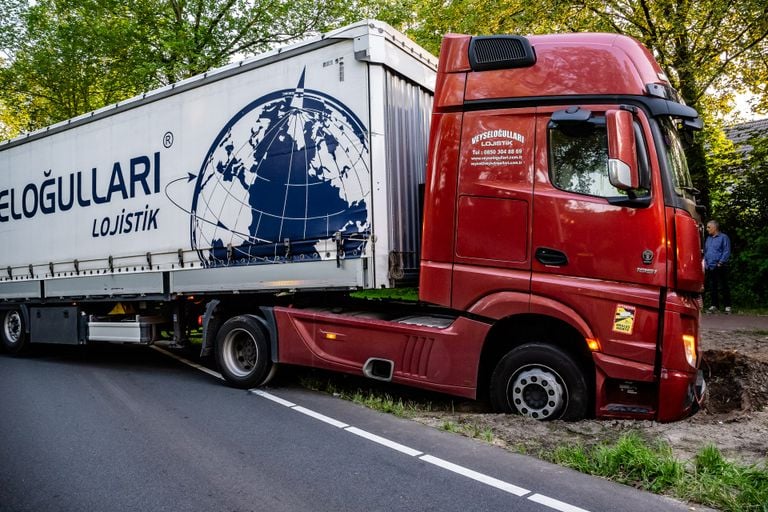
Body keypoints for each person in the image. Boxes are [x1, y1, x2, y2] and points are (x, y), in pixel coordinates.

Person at [704, 220, 732, 313]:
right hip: (710, 266)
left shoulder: (724, 237)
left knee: (724, 286)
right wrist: (706, 263)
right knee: (713, 287)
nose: (707, 229)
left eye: (709, 227)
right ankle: (714, 306)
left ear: (714, 227)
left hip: (720, 265)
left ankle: (727, 306)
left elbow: (726, 251)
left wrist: (720, 263)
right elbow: (706, 251)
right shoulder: (708, 238)